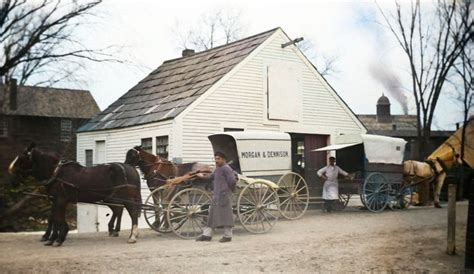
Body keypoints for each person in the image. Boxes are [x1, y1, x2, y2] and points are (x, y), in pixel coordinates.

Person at [195, 151, 236, 243]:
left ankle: (228, 236)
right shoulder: (217, 169)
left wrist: (228, 191)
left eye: (218, 159)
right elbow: (211, 177)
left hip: (224, 195)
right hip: (216, 196)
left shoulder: (226, 168)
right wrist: (201, 176)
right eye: (215, 158)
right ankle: (207, 235)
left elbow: (232, 181)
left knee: (226, 216)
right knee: (212, 215)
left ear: (224, 160)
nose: (216, 160)